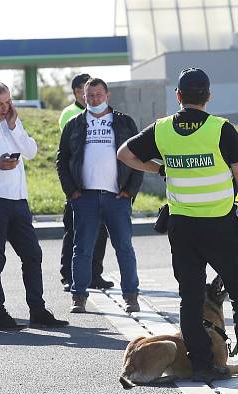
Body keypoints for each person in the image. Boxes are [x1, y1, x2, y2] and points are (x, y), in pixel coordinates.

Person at [117, 67, 238, 382]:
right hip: (221, 225)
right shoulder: (221, 129)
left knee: (190, 297)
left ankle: (202, 365)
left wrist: (159, 169)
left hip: (183, 226)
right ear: (208, 96)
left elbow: (124, 153)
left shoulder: (162, 129)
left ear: (178, 96)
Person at [0, 82, 68, 331]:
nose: (4, 107)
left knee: (32, 254)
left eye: (8, 102)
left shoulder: (11, 122)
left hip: (18, 200)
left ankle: (37, 310)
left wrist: (14, 125)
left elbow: (30, 151)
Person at [57, 77, 143, 313]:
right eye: (90, 96)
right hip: (85, 197)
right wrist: (72, 191)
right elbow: (62, 159)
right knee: (82, 249)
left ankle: (131, 296)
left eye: (98, 95)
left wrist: (130, 191)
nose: (94, 99)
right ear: (83, 98)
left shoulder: (124, 123)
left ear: (107, 96)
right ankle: (79, 296)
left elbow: (138, 159)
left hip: (117, 197)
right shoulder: (74, 124)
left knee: (124, 248)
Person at [57, 74, 115, 292]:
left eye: (93, 91)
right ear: (76, 93)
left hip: (102, 185)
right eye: (84, 90)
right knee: (74, 231)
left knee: (100, 232)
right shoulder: (71, 115)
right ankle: (68, 275)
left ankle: (94, 274)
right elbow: (70, 150)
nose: (88, 95)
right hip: (79, 183)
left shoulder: (105, 115)